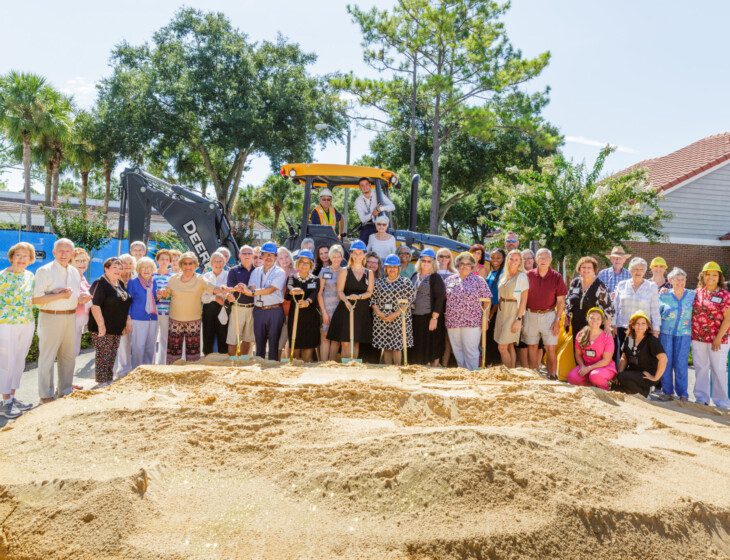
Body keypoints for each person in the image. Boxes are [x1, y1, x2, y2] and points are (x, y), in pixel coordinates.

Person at [32, 238, 84, 403]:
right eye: (60, 250)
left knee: (68, 356)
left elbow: (74, 296)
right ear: (54, 252)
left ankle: (65, 390)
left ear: (72, 253)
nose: (64, 254)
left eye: (67, 251)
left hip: (70, 316)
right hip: (50, 316)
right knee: (48, 357)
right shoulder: (44, 270)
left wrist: (80, 298)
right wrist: (59, 295)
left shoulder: (74, 271)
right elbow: (36, 299)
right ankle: (46, 394)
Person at [158, 252, 228, 363]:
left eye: (190, 263)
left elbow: (215, 289)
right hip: (175, 321)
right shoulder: (173, 279)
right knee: (173, 354)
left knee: (193, 355)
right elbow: (167, 294)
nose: (187, 266)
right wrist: (162, 293)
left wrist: (227, 289)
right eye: (185, 263)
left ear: (195, 265)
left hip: (193, 322)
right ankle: (172, 374)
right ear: (181, 265)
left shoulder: (200, 279)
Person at [0, 242, 37, 418]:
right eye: (18, 256)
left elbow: (37, 298)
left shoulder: (30, 276)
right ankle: (5, 401)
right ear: (12, 257)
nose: (22, 259)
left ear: (31, 260)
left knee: (19, 360)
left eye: (26, 256)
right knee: (6, 361)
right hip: (6, 324)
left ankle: (13, 397)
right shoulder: (2, 276)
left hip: (26, 323)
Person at [239, 242, 288, 361]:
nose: (269, 257)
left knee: (273, 342)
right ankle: (259, 370)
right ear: (261, 256)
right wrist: (248, 289)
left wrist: (253, 292)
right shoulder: (256, 271)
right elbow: (251, 286)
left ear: (276, 257)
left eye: (272, 255)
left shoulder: (280, 272)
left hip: (275, 310)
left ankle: (272, 369)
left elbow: (271, 289)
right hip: (259, 310)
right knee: (259, 342)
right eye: (266, 254)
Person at [88, 257, 132, 387]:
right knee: (103, 355)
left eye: (120, 268)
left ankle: (108, 380)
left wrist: (125, 322)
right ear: (106, 268)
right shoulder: (99, 283)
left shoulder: (120, 283)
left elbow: (124, 304)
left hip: (116, 327)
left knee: (112, 354)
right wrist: (101, 325)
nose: (118, 270)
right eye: (114, 267)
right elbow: (94, 305)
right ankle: (102, 382)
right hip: (102, 327)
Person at [691, 261, 730, 408]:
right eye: (708, 274)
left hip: (718, 339)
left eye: (714, 275)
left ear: (719, 277)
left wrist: (718, 338)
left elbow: (728, 318)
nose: (711, 277)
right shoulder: (697, 292)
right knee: (701, 368)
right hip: (698, 337)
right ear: (703, 276)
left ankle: (722, 402)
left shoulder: (725, 295)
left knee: (718, 369)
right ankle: (702, 398)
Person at [522, 248, 566, 379]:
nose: (543, 260)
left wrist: (557, 320)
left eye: (546, 257)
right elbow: (522, 298)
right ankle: (534, 375)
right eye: (540, 257)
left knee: (550, 347)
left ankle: (552, 374)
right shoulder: (528, 275)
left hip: (549, 316)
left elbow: (561, 301)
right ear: (536, 260)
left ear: (550, 260)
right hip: (530, 314)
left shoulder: (556, 277)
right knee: (532, 346)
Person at [327, 240, 374, 360]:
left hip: (361, 310)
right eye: (355, 253)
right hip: (346, 308)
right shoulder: (344, 270)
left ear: (364, 254)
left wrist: (359, 297)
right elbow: (340, 291)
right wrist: (347, 301)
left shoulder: (369, 273)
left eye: (360, 253)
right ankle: (345, 366)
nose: (358, 256)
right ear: (351, 254)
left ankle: (353, 366)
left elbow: (369, 292)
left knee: (356, 341)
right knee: (345, 342)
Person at [444, 252, 491, 371]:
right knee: (457, 349)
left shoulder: (478, 280)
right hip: (453, 321)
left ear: (472, 266)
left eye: (468, 264)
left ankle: (472, 374)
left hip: (472, 322)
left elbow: (487, 300)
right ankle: (462, 373)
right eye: (462, 263)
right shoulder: (450, 280)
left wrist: (485, 318)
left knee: (470, 350)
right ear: (457, 265)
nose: (464, 266)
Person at [612, 258, 661, 365]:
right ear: (630, 270)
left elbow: (655, 310)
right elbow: (615, 307)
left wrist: (656, 329)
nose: (638, 272)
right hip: (623, 328)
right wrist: (613, 324)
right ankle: (621, 378)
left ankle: (636, 380)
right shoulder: (622, 285)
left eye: (641, 269)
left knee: (640, 358)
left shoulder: (651, 286)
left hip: (642, 329)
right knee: (623, 355)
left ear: (645, 271)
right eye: (635, 269)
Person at [657, 267, 695, 401]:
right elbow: (656, 314)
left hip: (684, 334)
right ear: (670, 280)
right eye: (677, 279)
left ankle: (683, 393)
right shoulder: (663, 295)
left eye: (682, 279)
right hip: (666, 333)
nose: (680, 282)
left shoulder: (692, 295)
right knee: (666, 362)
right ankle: (667, 392)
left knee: (681, 363)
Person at [371, 254, 416, 365]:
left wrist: (394, 315)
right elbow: (373, 300)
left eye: (394, 267)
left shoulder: (406, 282)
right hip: (382, 319)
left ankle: (397, 369)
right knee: (386, 347)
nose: (392, 269)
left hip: (399, 319)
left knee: (397, 347)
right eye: (389, 267)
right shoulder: (379, 282)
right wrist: (380, 314)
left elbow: (409, 301)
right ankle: (388, 371)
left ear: (399, 268)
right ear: (385, 268)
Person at [616, 311, 667, 397]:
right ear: (632, 325)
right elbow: (624, 357)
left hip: (647, 375)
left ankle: (644, 393)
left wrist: (655, 377)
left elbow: (664, 359)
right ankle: (638, 392)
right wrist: (619, 374)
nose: (640, 326)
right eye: (637, 323)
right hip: (633, 372)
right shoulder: (629, 338)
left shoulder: (651, 340)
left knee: (623, 378)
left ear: (647, 326)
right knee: (615, 386)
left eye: (643, 323)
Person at [410, 248, 446, 366]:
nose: (425, 263)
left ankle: (432, 369)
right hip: (415, 316)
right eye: (423, 260)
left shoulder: (435, 277)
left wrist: (434, 318)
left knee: (431, 344)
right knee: (417, 343)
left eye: (428, 261)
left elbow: (440, 298)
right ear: (420, 261)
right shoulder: (415, 275)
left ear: (433, 263)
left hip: (429, 316)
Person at [566, 307, 617, 390]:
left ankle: (606, 389)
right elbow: (578, 354)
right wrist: (582, 366)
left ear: (602, 321)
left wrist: (589, 368)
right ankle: (590, 388)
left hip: (604, 367)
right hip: (586, 366)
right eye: (592, 318)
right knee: (572, 377)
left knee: (595, 376)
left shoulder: (607, 336)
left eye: (598, 318)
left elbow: (606, 360)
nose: (595, 321)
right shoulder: (581, 334)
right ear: (587, 319)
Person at [494, 249, 529, 369]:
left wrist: (519, 319)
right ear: (507, 260)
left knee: (502, 347)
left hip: (513, 311)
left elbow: (524, 300)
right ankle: (513, 371)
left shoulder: (522, 276)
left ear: (520, 262)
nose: (513, 261)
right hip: (502, 310)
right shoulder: (504, 275)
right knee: (509, 346)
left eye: (516, 259)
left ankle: (508, 372)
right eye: (511, 258)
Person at [285, 250, 321, 362]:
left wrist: (307, 302)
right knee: (294, 344)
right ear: (297, 263)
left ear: (311, 265)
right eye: (301, 262)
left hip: (310, 316)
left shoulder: (315, 279)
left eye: (307, 263)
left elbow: (314, 293)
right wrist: (293, 290)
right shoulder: (292, 277)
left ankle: (306, 367)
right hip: (295, 314)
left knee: (308, 343)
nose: (304, 265)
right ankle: (294, 367)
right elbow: (289, 287)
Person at [565, 256, 614, 336]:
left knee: (590, 348)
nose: (586, 270)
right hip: (576, 323)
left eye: (589, 267)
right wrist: (567, 319)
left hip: (594, 325)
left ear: (594, 270)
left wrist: (607, 326)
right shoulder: (575, 282)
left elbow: (607, 308)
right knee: (577, 347)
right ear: (579, 269)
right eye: (583, 267)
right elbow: (568, 302)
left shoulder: (599, 285)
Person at [127, 257, 159, 368]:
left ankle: (149, 369)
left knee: (150, 346)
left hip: (153, 318)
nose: (146, 270)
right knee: (138, 346)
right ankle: (136, 370)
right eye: (143, 267)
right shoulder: (133, 282)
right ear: (139, 269)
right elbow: (128, 301)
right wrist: (128, 318)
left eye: (149, 267)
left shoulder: (155, 282)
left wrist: (159, 297)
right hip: (138, 318)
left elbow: (155, 299)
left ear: (153, 269)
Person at [226, 246, 256, 357]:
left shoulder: (258, 270)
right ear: (239, 255)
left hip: (253, 308)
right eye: (244, 253)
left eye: (249, 253)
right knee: (233, 338)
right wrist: (235, 289)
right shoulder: (233, 271)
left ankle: (243, 361)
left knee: (248, 338)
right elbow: (230, 289)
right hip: (238, 307)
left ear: (253, 255)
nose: (247, 255)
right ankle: (232, 361)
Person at [318, 244, 345, 362]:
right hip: (326, 307)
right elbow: (319, 293)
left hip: (339, 308)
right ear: (330, 257)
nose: (336, 259)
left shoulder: (345, 272)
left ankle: (331, 363)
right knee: (324, 336)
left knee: (336, 338)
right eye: (334, 257)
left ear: (342, 257)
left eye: (338, 256)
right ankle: (324, 363)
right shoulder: (324, 271)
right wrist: (323, 312)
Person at [201, 251, 229, 355]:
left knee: (223, 335)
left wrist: (214, 295)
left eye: (220, 261)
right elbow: (203, 296)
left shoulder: (228, 275)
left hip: (224, 308)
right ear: (211, 263)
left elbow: (228, 292)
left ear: (224, 263)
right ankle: (207, 359)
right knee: (208, 335)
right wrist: (215, 297)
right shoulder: (205, 277)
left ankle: (223, 360)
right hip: (208, 310)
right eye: (215, 261)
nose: (218, 263)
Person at [114, 253, 136, 378]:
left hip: (136, 316)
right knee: (122, 344)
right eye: (124, 263)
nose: (127, 265)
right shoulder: (115, 280)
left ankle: (134, 369)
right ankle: (123, 371)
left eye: (130, 263)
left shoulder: (137, 279)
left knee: (134, 343)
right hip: (119, 316)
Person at [355, 177, 395, 242]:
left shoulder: (378, 194)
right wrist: (372, 214)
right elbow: (362, 219)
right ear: (360, 188)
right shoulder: (358, 201)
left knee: (384, 243)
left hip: (381, 224)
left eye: (366, 184)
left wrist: (380, 209)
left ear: (370, 185)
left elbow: (392, 206)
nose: (365, 187)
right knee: (361, 244)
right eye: (362, 185)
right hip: (368, 226)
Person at [485, 248, 506, 365]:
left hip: (496, 309)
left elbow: (499, 297)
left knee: (494, 337)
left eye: (498, 257)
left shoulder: (503, 274)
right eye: (492, 257)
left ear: (503, 259)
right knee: (488, 337)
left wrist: (491, 313)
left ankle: (495, 363)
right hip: (487, 308)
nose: (495, 260)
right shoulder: (491, 272)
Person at [153, 249, 173, 364]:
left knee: (164, 339)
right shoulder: (151, 275)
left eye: (167, 259)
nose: (164, 262)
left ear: (170, 262)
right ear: (157, 260)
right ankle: (151, 363)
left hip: (167, 312)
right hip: (153, 312)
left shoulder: (173, 277)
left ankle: (162, 363)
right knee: (152, 339)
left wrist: (166, 294)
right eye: (162, 259)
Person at [71, 248, 92, 358]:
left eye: (84, 261)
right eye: (78, 261)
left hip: (79, 322)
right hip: (71, 321)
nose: (82, 263)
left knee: (75, 352)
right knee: (70, 353)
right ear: (71, 262)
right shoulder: (70, 276)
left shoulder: (82, 277)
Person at [276, 247, 295, 357]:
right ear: (277, 260)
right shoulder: (276, 272)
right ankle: (276, 359)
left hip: (293, 308)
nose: (284, 260)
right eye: (281, 258)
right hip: (279, 309)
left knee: (291, 337)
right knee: (281, 336)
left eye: (286, 256)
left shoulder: (297, 271)